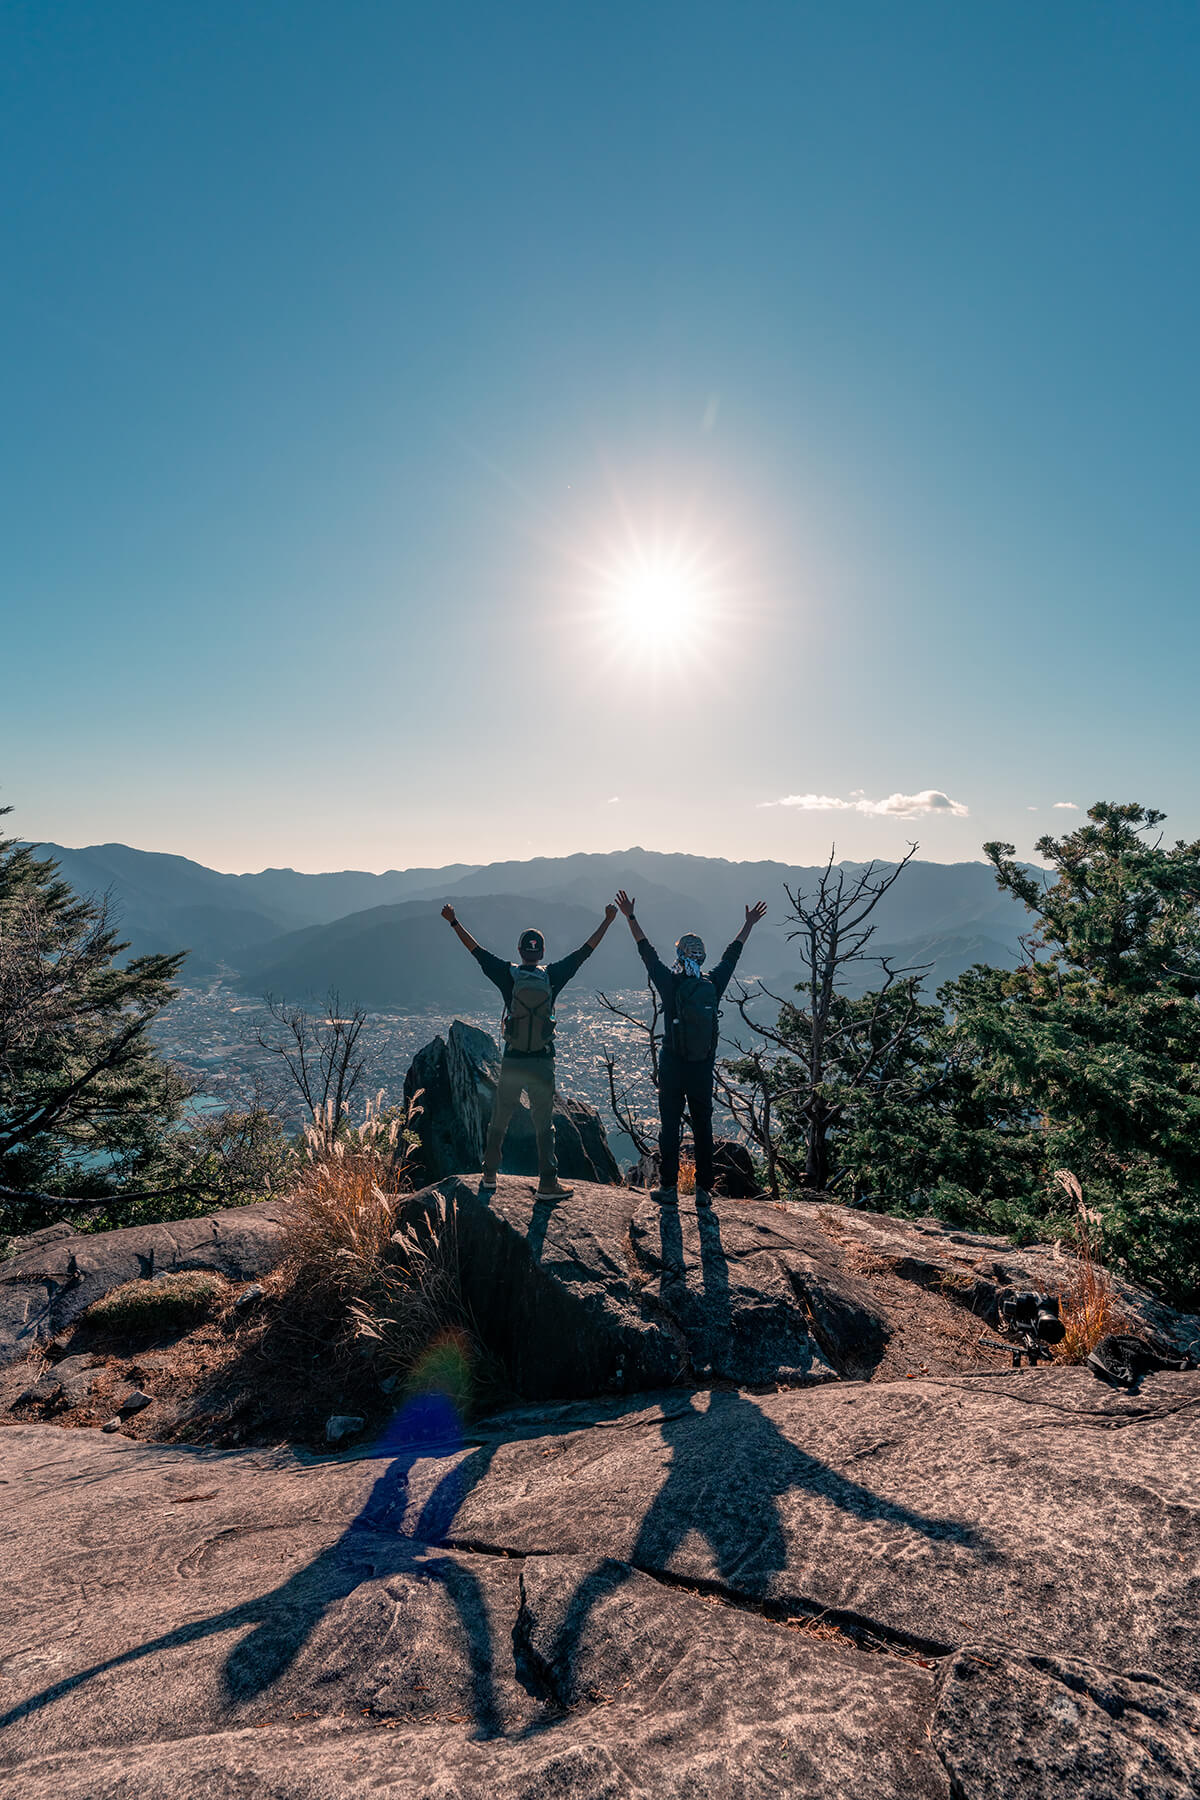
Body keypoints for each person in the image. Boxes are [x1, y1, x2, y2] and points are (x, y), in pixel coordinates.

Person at [441, 901, 618, 1198]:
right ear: (542, 953)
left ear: (521, 951)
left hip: (513, 1059)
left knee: (500, 1118)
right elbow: (586, 951)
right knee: (543, 1124)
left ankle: (489, 1176)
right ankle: (548, 1182)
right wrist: (608, 921)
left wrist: (454, 921)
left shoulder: (507, 975)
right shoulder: (554, 975)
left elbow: (476, 951)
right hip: (542, 1060)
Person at [615, 889, 767, 1207]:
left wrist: (631, 916)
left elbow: (647, 953)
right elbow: (731, 955)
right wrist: (748, 924)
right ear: (701, 957)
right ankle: (703, 1191)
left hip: (672, 1065)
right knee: (703, 1128)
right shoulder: (712, 984)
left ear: (680, 955)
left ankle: (669, 1188)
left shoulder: (671, 984)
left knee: (670, 1126)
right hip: (701, 1066)